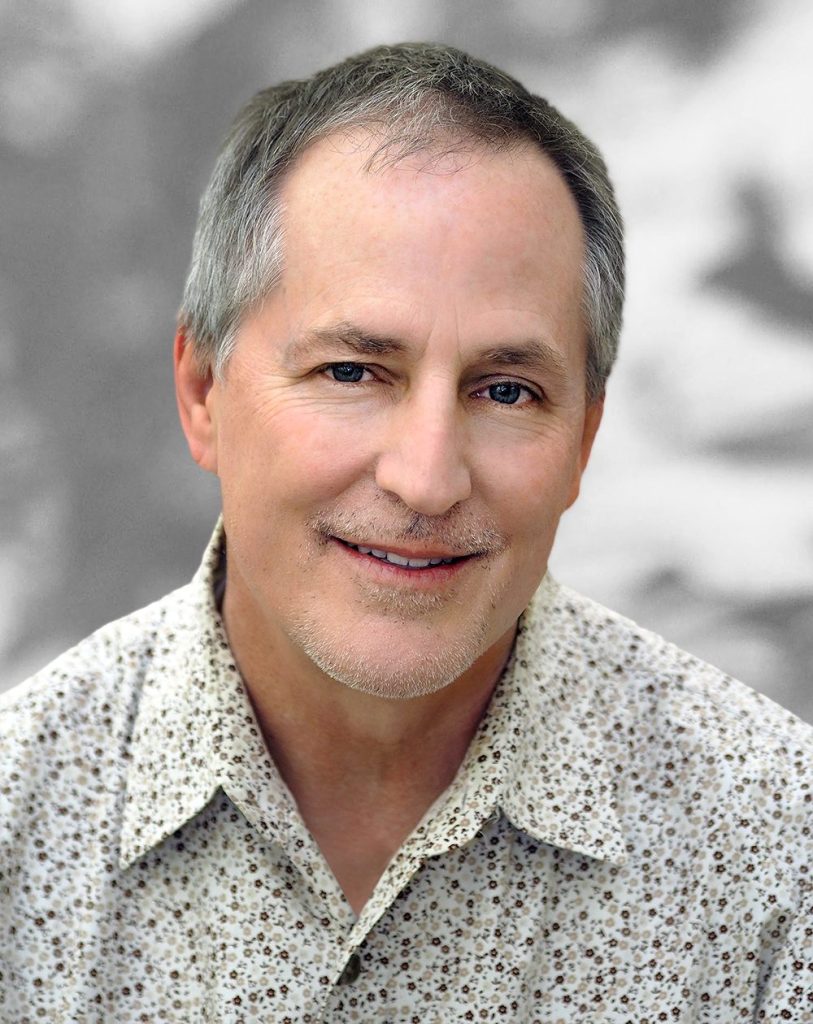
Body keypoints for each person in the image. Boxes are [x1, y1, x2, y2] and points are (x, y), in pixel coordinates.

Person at [1, 42, 810, 1022]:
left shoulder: (778, 848)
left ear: (585, 439)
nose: (426, 478)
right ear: (203, 391)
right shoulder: (20, 825)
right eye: (352, 372)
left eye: (507, 390)